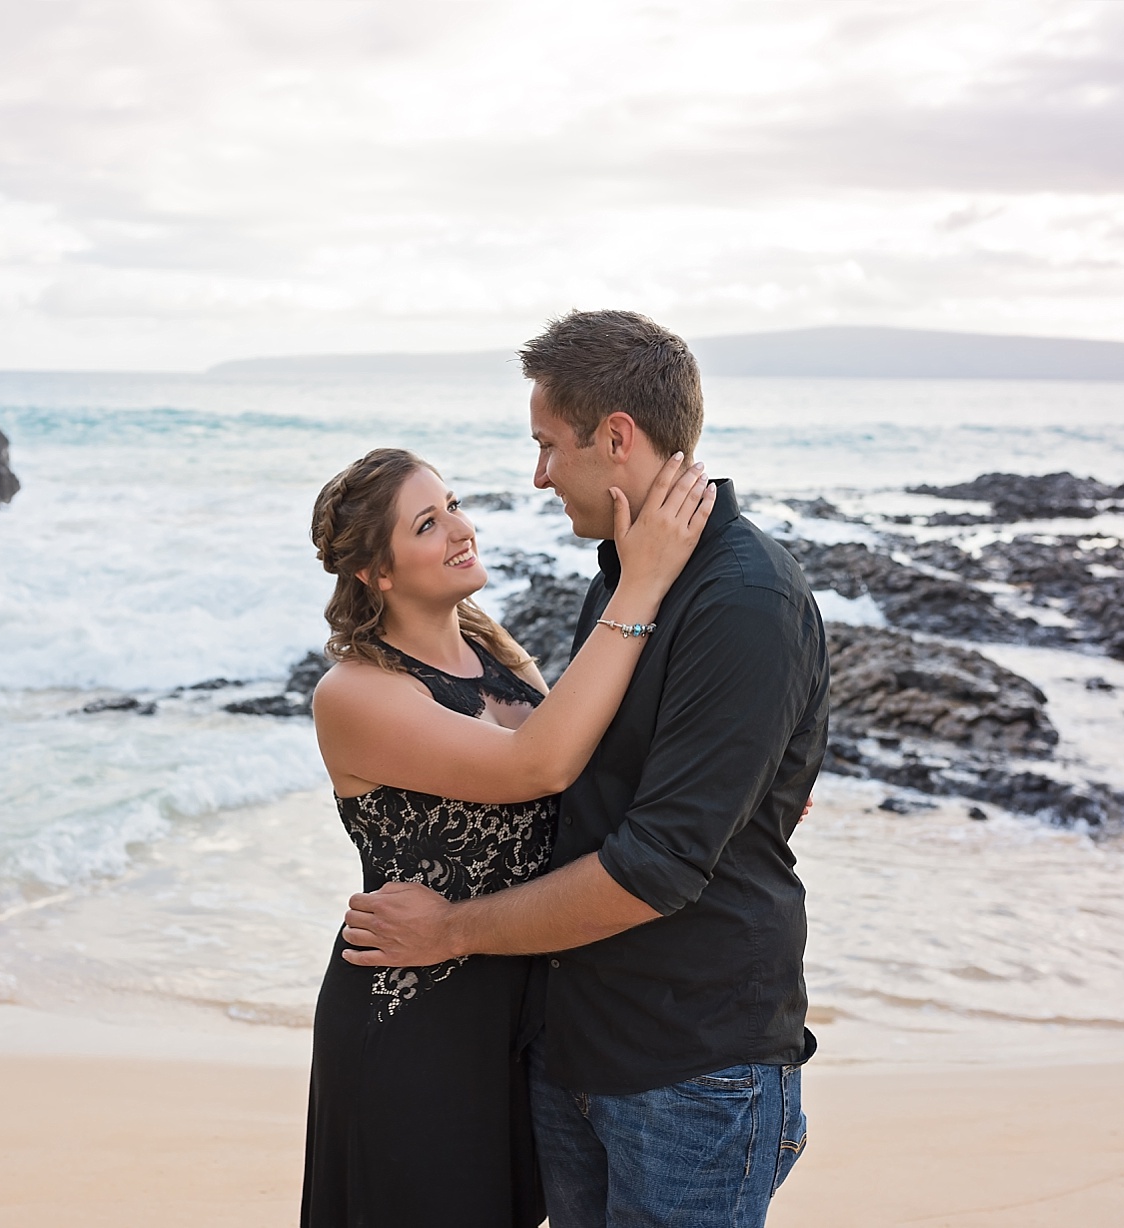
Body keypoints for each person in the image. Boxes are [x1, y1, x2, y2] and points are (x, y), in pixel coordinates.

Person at [340, 310, 831, 1228]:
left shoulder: (744, 599)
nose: (536, 474)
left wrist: (452, 931)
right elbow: (591, 777)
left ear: (616, 438)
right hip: (576, 1042)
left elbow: (657, 862)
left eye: (547, 445)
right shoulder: (629, 568)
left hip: (690, 1064)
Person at [301, 444, 717, 1228]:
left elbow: (596, 766)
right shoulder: (354, 693)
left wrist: (736, 778)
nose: (462, 528)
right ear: (377, 573)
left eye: (452, 504)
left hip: (521, 1015)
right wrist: (644, 580)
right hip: (413, 1018)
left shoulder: (491, 647)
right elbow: (540, 766)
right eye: (428, 523)